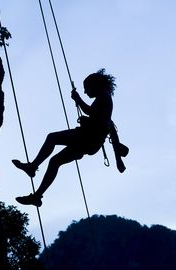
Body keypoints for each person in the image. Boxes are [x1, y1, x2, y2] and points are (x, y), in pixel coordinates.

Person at [12, 68, 118, 207]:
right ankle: (37, 196)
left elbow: (91, 112)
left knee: (52, 138)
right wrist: (119, 160)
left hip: (86, 138)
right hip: (89, 143)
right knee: (55, 161)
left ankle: (33, 167)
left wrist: (77, 98)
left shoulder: (104, 96)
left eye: (86, 88)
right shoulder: (105, 98)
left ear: (95, 85)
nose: (85, 92)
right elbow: (108, 126)